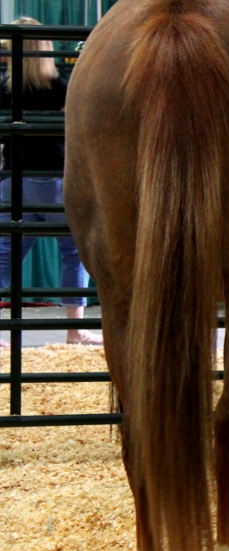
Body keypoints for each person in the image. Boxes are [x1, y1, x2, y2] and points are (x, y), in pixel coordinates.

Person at [0, 17, 101, 346]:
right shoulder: (59, 88)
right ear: (45, 49)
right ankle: (74, 330)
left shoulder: (5, 88)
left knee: (5, 252)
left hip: (14, 180)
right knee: (72, 252)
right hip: (54, 182)